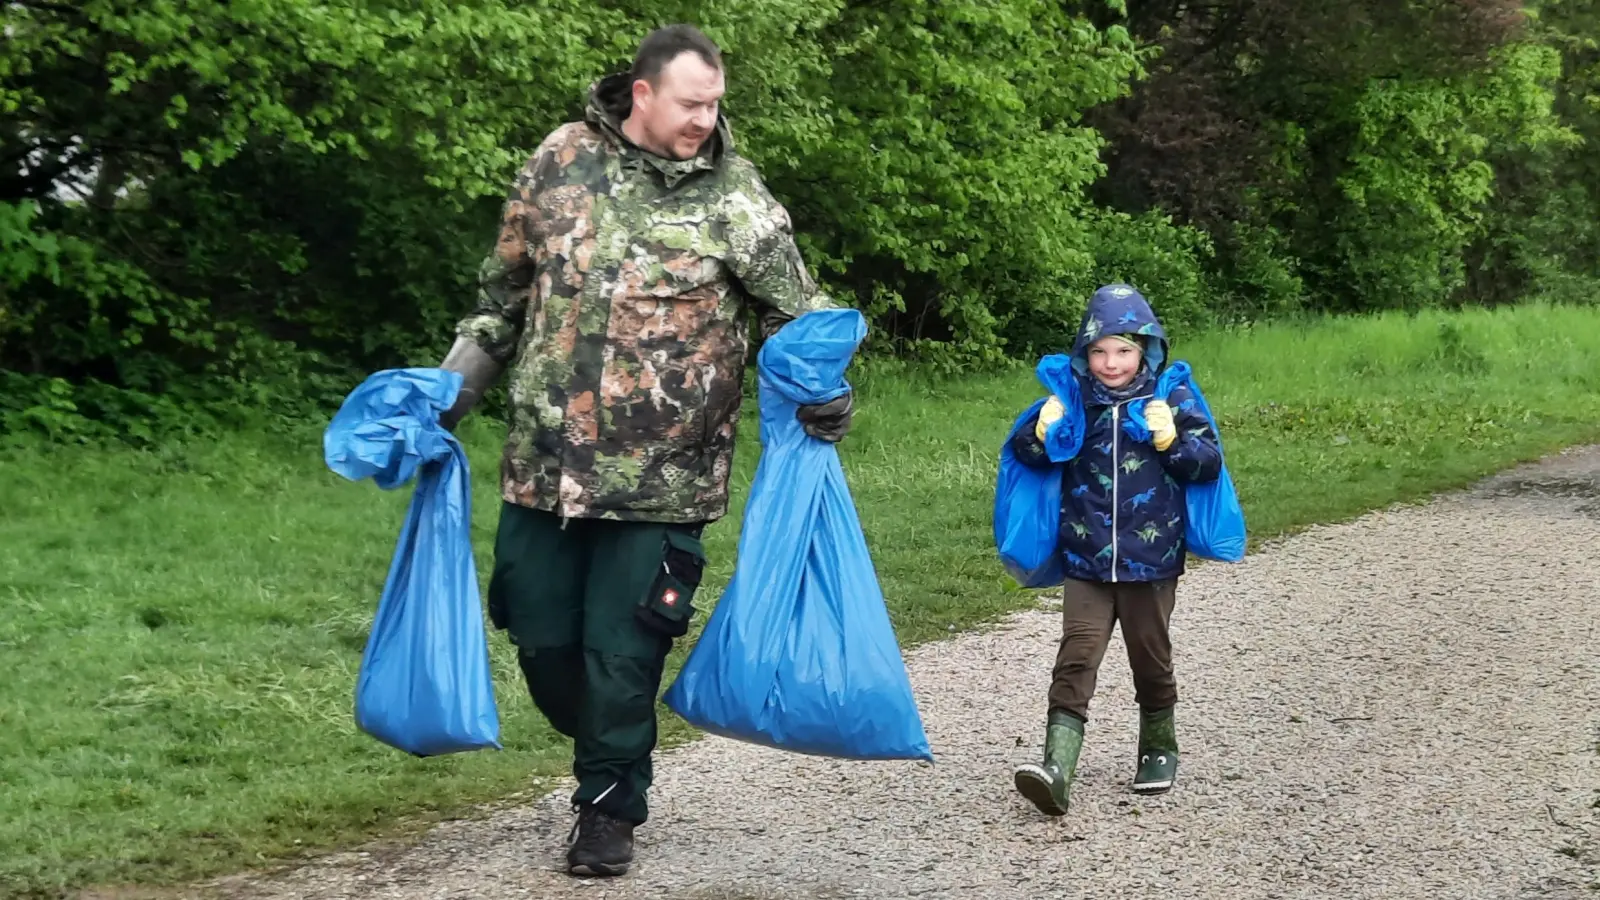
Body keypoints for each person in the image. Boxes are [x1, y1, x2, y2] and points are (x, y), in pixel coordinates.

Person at [432, 24, 852, 877]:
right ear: (643, 93)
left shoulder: (736, 199)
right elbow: (501, 296)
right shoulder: (560, 160)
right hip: (541, 470)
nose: (708, 117)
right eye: (693, 102)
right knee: (543, 645)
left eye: (716, 102)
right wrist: (449, 392)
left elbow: (797, 311)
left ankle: (607, 809)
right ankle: (607, 744)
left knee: (622, 654)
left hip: (662, 482)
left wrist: (823, 387)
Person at [1005, 284, 1222, 816]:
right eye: (1099, 351)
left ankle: (1158, 747)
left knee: (1149, 656)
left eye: (1123, 351)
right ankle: (1056, 768)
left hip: (1151, 560)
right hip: (1086, 555)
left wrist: (1173, 441)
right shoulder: (1073, 398)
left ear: (1145, 350)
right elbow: (1029, 455)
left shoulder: (1171, 397)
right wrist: (1040, 429)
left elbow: (1207, 463)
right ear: (1085, 353)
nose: (1110, 363)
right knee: (1076, 654)